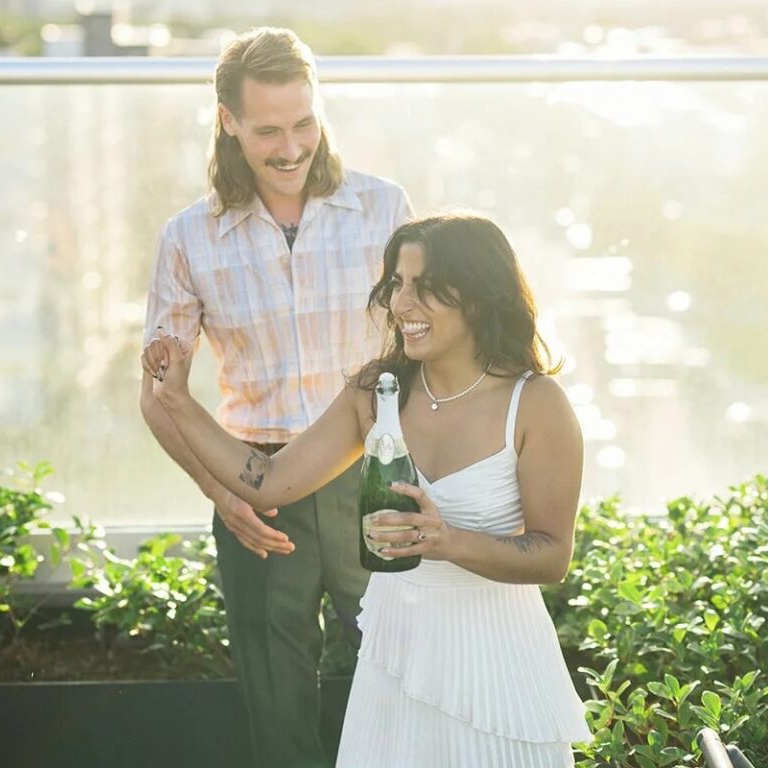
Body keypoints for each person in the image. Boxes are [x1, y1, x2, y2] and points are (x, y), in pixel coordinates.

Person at [142, 213, 593, 766]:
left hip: (495, 667)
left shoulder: (537, 403)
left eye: (424, 287)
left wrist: (448, 541)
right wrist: (177, 400)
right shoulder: (376, 392)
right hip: (395, 661)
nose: (401, 303)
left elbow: (552, 556)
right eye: (397, 283)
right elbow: (269, 482)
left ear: (477, 296)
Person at [138, 27, 412, 768]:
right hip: (254, 489)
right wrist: (220, 492)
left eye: (303, 123)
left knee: (405, 683)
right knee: (278, 716)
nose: (291, 149)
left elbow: (428, 351)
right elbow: (159, 395)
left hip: (373, 473)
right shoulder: (188, 238)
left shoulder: (385, 209)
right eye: (267, 131)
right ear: (227, 120)